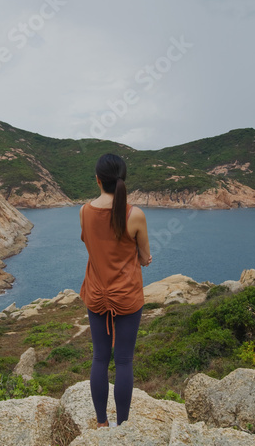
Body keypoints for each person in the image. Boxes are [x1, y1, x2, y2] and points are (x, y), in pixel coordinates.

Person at [79, 153, 152, 428]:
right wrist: (141, 258)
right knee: (123, 361)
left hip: (96, 294)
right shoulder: (135, 215)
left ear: (98, 180)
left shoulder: (84, 211)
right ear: (124, 181)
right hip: (127, 296)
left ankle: (101, 422)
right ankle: (122, 427)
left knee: (99, 357)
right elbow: (144, 256)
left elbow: (89, 243)